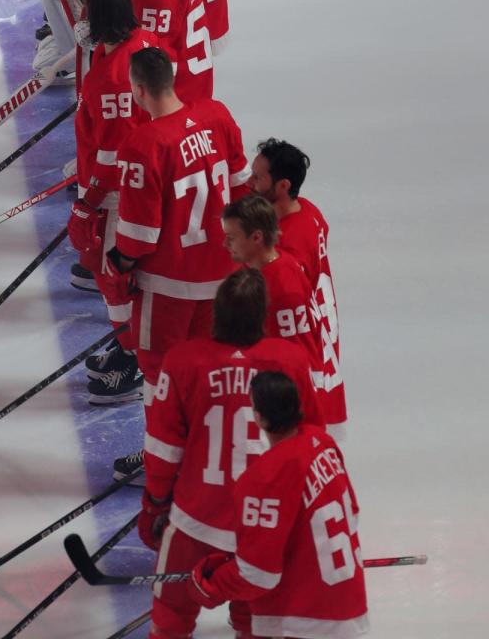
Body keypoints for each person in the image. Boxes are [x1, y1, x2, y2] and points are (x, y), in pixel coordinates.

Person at [140, 269, 320, 639]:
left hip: (197, 519)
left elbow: (163, 449)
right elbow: (312, 444)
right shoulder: (292, 361)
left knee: (172, 614)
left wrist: (156, 503)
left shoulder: (183, 360)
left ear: (216, 313)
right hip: (264, 527)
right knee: (256, 623)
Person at [106, 47, 251, 458]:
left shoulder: (143, 144)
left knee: (160, 378)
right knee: (210, 372)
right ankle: (208, 457)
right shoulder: (217, 115)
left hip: (169, 288)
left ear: (138, 90)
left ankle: (161, 459)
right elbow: (242, 189)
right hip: (223, 279)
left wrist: (119, 264)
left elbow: (140, 237)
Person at [190, 371, 369, 639]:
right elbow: (352, 514)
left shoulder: (265, 476)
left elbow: (258, 575)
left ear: (259, 417)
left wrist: (213, 585)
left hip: (304, 619)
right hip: (348, 604)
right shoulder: (323, 442)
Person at [67, 0, 153, 403]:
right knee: (117, 277)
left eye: (87, 11)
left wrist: (87, 203)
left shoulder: (114, 81)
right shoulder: (141, 44)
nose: (81, 18)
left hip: (120, 196)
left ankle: (131, 362)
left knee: (114, 278)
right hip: (131, 186)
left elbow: (111, 154)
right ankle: (126, 347)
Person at [248, 139, 348, 437]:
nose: (249, 182)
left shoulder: (285, 251)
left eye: (257, 178)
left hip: (301, 349)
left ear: (282, 186)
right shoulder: (310, 212)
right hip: (320, 331)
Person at [222, 195, 323, 397]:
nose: (225, 243)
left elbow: (300, 360)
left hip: (277, 402)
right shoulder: (252, 267)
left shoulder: (284, 291)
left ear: (257, 237)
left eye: (232, 237)